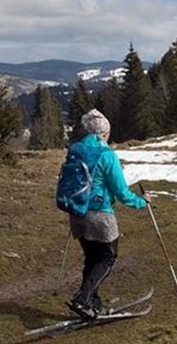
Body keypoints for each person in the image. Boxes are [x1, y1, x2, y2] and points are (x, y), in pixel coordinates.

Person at [64, 109, 150, 319]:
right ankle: (83, 300)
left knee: (92, 259)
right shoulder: (107, 155)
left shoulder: (75, 150)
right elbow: (121, 192)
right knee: (106, 258)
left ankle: (93, 304)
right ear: (104, 133)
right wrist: (142, 201)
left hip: (76, 212)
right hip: (100, 216)